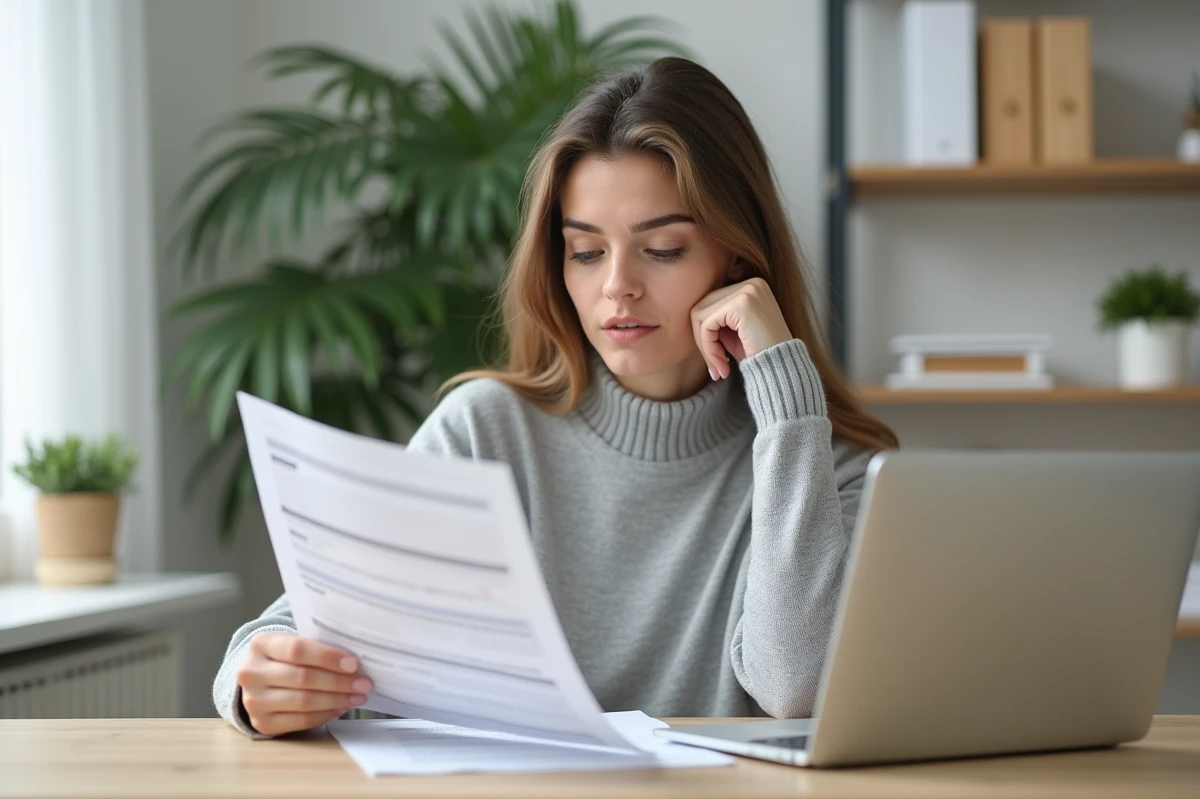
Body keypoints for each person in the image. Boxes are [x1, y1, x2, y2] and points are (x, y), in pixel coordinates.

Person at [213, 56, 899, 738]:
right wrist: (256, 680)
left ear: (739, 262)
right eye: (586, 252)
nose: (617, 287)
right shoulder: (485, 432)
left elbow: (795, 688)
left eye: (662, 249)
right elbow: (297, 629)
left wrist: (787, 402)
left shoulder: (825, 460)